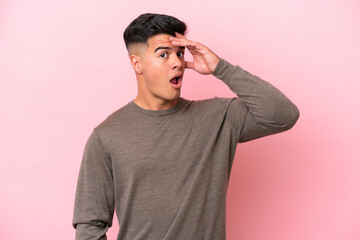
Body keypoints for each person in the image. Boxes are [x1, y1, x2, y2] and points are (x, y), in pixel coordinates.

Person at [72, 13, 300, 240]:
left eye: (180, 53)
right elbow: (89, 226)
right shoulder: (106, 136)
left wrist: (220, 67)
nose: (177, 62)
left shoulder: (217, 117)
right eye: (164, 54)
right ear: (137, 63)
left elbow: (283, 115)